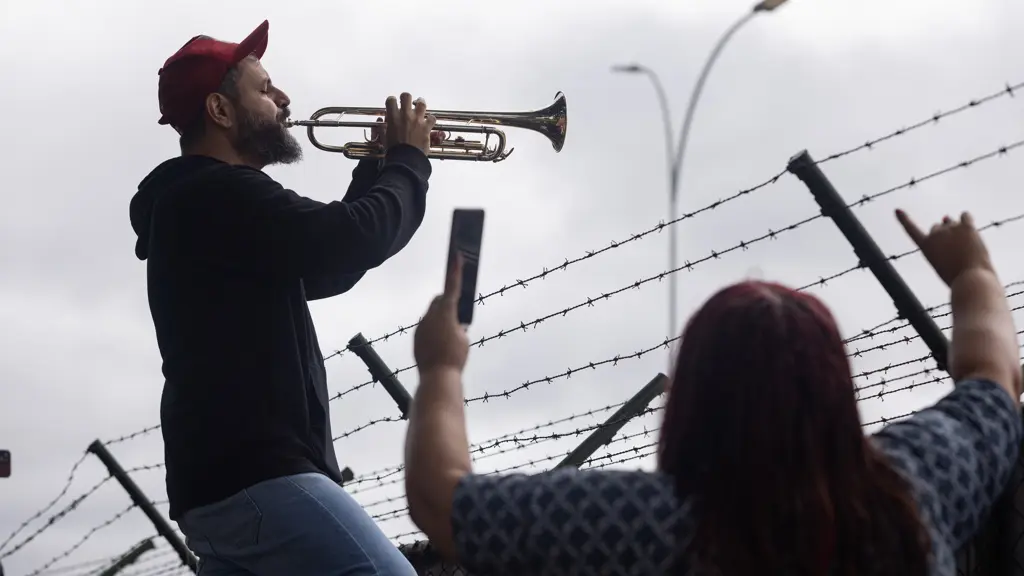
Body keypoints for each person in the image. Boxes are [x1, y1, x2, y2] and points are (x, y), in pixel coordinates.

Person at [404, 210, 1022, 576]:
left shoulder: (652, 522)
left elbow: (440, 499)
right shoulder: (915, 488)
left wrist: (440, 365)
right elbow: (992, 376)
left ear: (694, 395)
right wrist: (973, 272)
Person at [130, 20, 436, 575]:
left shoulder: (199, 206)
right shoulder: (214, 192)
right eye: (265, 88)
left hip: (223, 483)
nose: (283, 98)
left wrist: (375, 167)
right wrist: (409, 162)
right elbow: (349, 239)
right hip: (257, 473)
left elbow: (327, 265)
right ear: (221, 111)